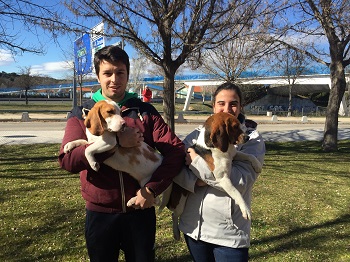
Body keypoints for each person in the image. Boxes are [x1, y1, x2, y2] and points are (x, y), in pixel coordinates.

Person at [58, 45, 185, 262]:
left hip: (140, 211)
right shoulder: (82, 113)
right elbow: (67, 160)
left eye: (120, 73)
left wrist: (151, 190)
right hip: (100, 213)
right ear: (98, 76)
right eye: (107, 73)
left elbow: (176, 151)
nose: (114, 79)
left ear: (127, 74)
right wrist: (117, 143)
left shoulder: (144, 111)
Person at [178, 82, 265, 262]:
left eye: (233, 103)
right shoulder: (196, 135)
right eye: (221, 103)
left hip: (229, 234)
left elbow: (240, 181)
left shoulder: (251, 139)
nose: (227, 108)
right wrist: (195, 182)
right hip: (194, 229)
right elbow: (178, 172)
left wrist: (199, 168)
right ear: (213, 105)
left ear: (240, 106)